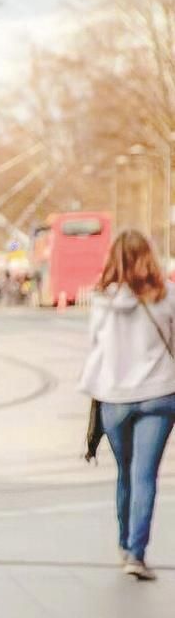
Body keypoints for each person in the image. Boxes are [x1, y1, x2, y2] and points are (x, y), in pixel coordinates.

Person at [79, 229, 175, 581]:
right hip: (160, 394)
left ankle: (124, 543)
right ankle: (137, 552)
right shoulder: (166, 297)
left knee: (126, 473)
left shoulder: (102, 302)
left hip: (114, 398)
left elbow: (94, 346)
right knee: (145, 475)